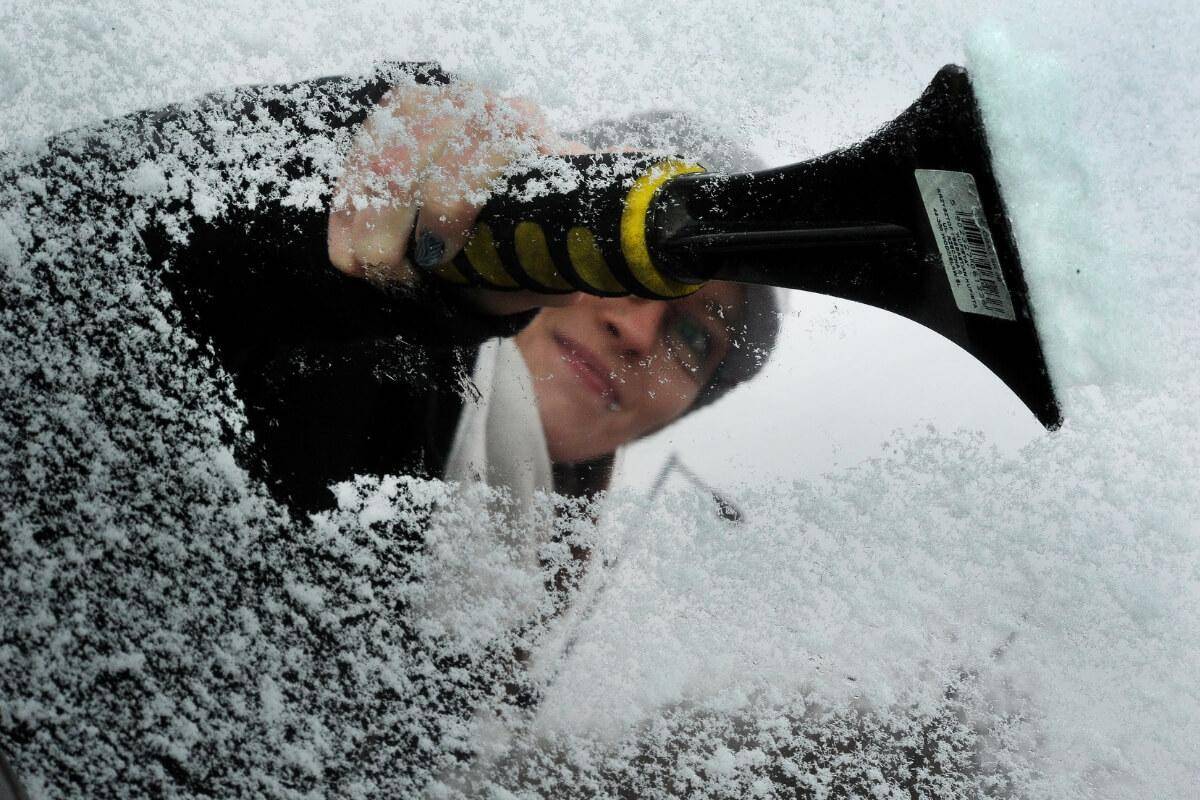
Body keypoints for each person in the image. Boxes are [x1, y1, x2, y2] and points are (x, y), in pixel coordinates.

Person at [0, 61, 779, 796]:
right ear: (533, 225)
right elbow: (63, 247)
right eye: (624, 261)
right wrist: (335, 171)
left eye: (693, 339)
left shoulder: (529, 590)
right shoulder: (349, 362)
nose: (639, 332)